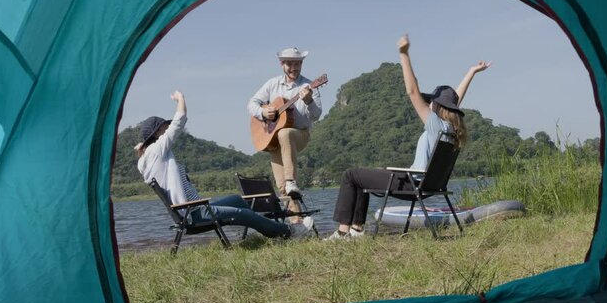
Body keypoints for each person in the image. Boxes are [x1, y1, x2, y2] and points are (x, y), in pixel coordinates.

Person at [326, 34, 492, 240]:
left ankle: (344, 232)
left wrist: (404, 54)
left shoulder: (434, 124)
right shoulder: (451, 129)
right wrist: (471, 72)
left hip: (411, 184)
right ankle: (357, 230)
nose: (428, 103)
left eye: (432, 101)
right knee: (361, 177)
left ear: (437, 107)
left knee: (351, 175)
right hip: (430, 185)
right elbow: (455, 100)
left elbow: (412, 91)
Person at [136, 91, 313, 239]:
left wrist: (144, 144)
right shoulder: (157, 150)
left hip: (192, 209)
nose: (167, 129)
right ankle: (288, 232)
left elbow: (148, 153)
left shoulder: (146, 159)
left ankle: (269, 228)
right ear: (157, 133)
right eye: (163, 128)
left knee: (237, 200)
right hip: (195, 213)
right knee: (243, 213)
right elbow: (179, 120)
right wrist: (180, 98)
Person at [247, 47, 323, 213]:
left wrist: (309, 100)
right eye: (289, 64)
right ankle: (297, 221)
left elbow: (316, 115)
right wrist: (262, 112)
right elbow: (252, 104)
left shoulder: (309, 86)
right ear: (282, 64)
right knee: (282, 186)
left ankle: (291, 180)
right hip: (273, 138)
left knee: (285, 132)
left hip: (299, 134)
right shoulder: (272, 84)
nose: (294, 68)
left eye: (297, 64)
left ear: (301, 64)